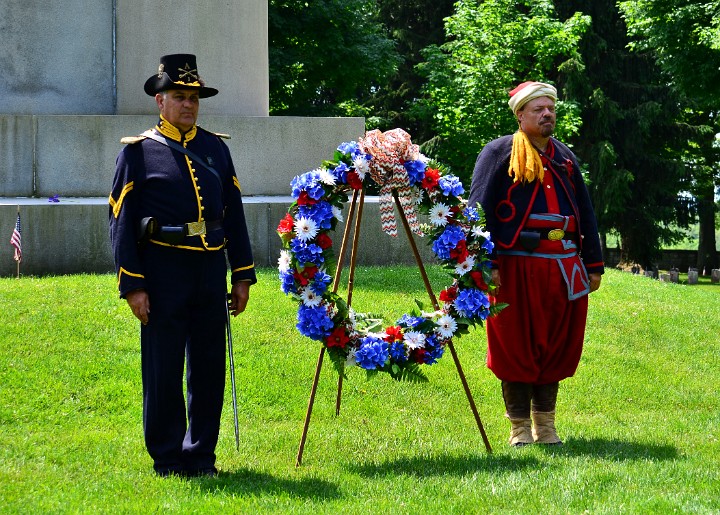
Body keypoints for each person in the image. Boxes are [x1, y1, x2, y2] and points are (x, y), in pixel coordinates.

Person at [108, 54, 256, 476]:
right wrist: (133, 285)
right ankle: (168, 456)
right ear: (160, 100)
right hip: (163, 273)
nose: (188, 104)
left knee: (209, 368)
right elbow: (120, 221)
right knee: (164, 369)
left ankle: (201, 455)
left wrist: (242, 274)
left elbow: (234, 213)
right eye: (178, 96)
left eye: (193, 97)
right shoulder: (138, 154)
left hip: (210, 272)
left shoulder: (215, 148)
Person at [468, 81, 604, 446]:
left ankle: (546, 426)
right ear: (520, 115)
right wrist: (487, 261)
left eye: (551, 109)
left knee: (555, 344)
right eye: (538, 110)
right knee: (515, 345)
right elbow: (477, 209)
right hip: (513, 266)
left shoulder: (565, 158)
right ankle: (519, 428)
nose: (547, 114)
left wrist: (594, 263)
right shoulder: (498, 153)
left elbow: (585, 212)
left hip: (562, 268)